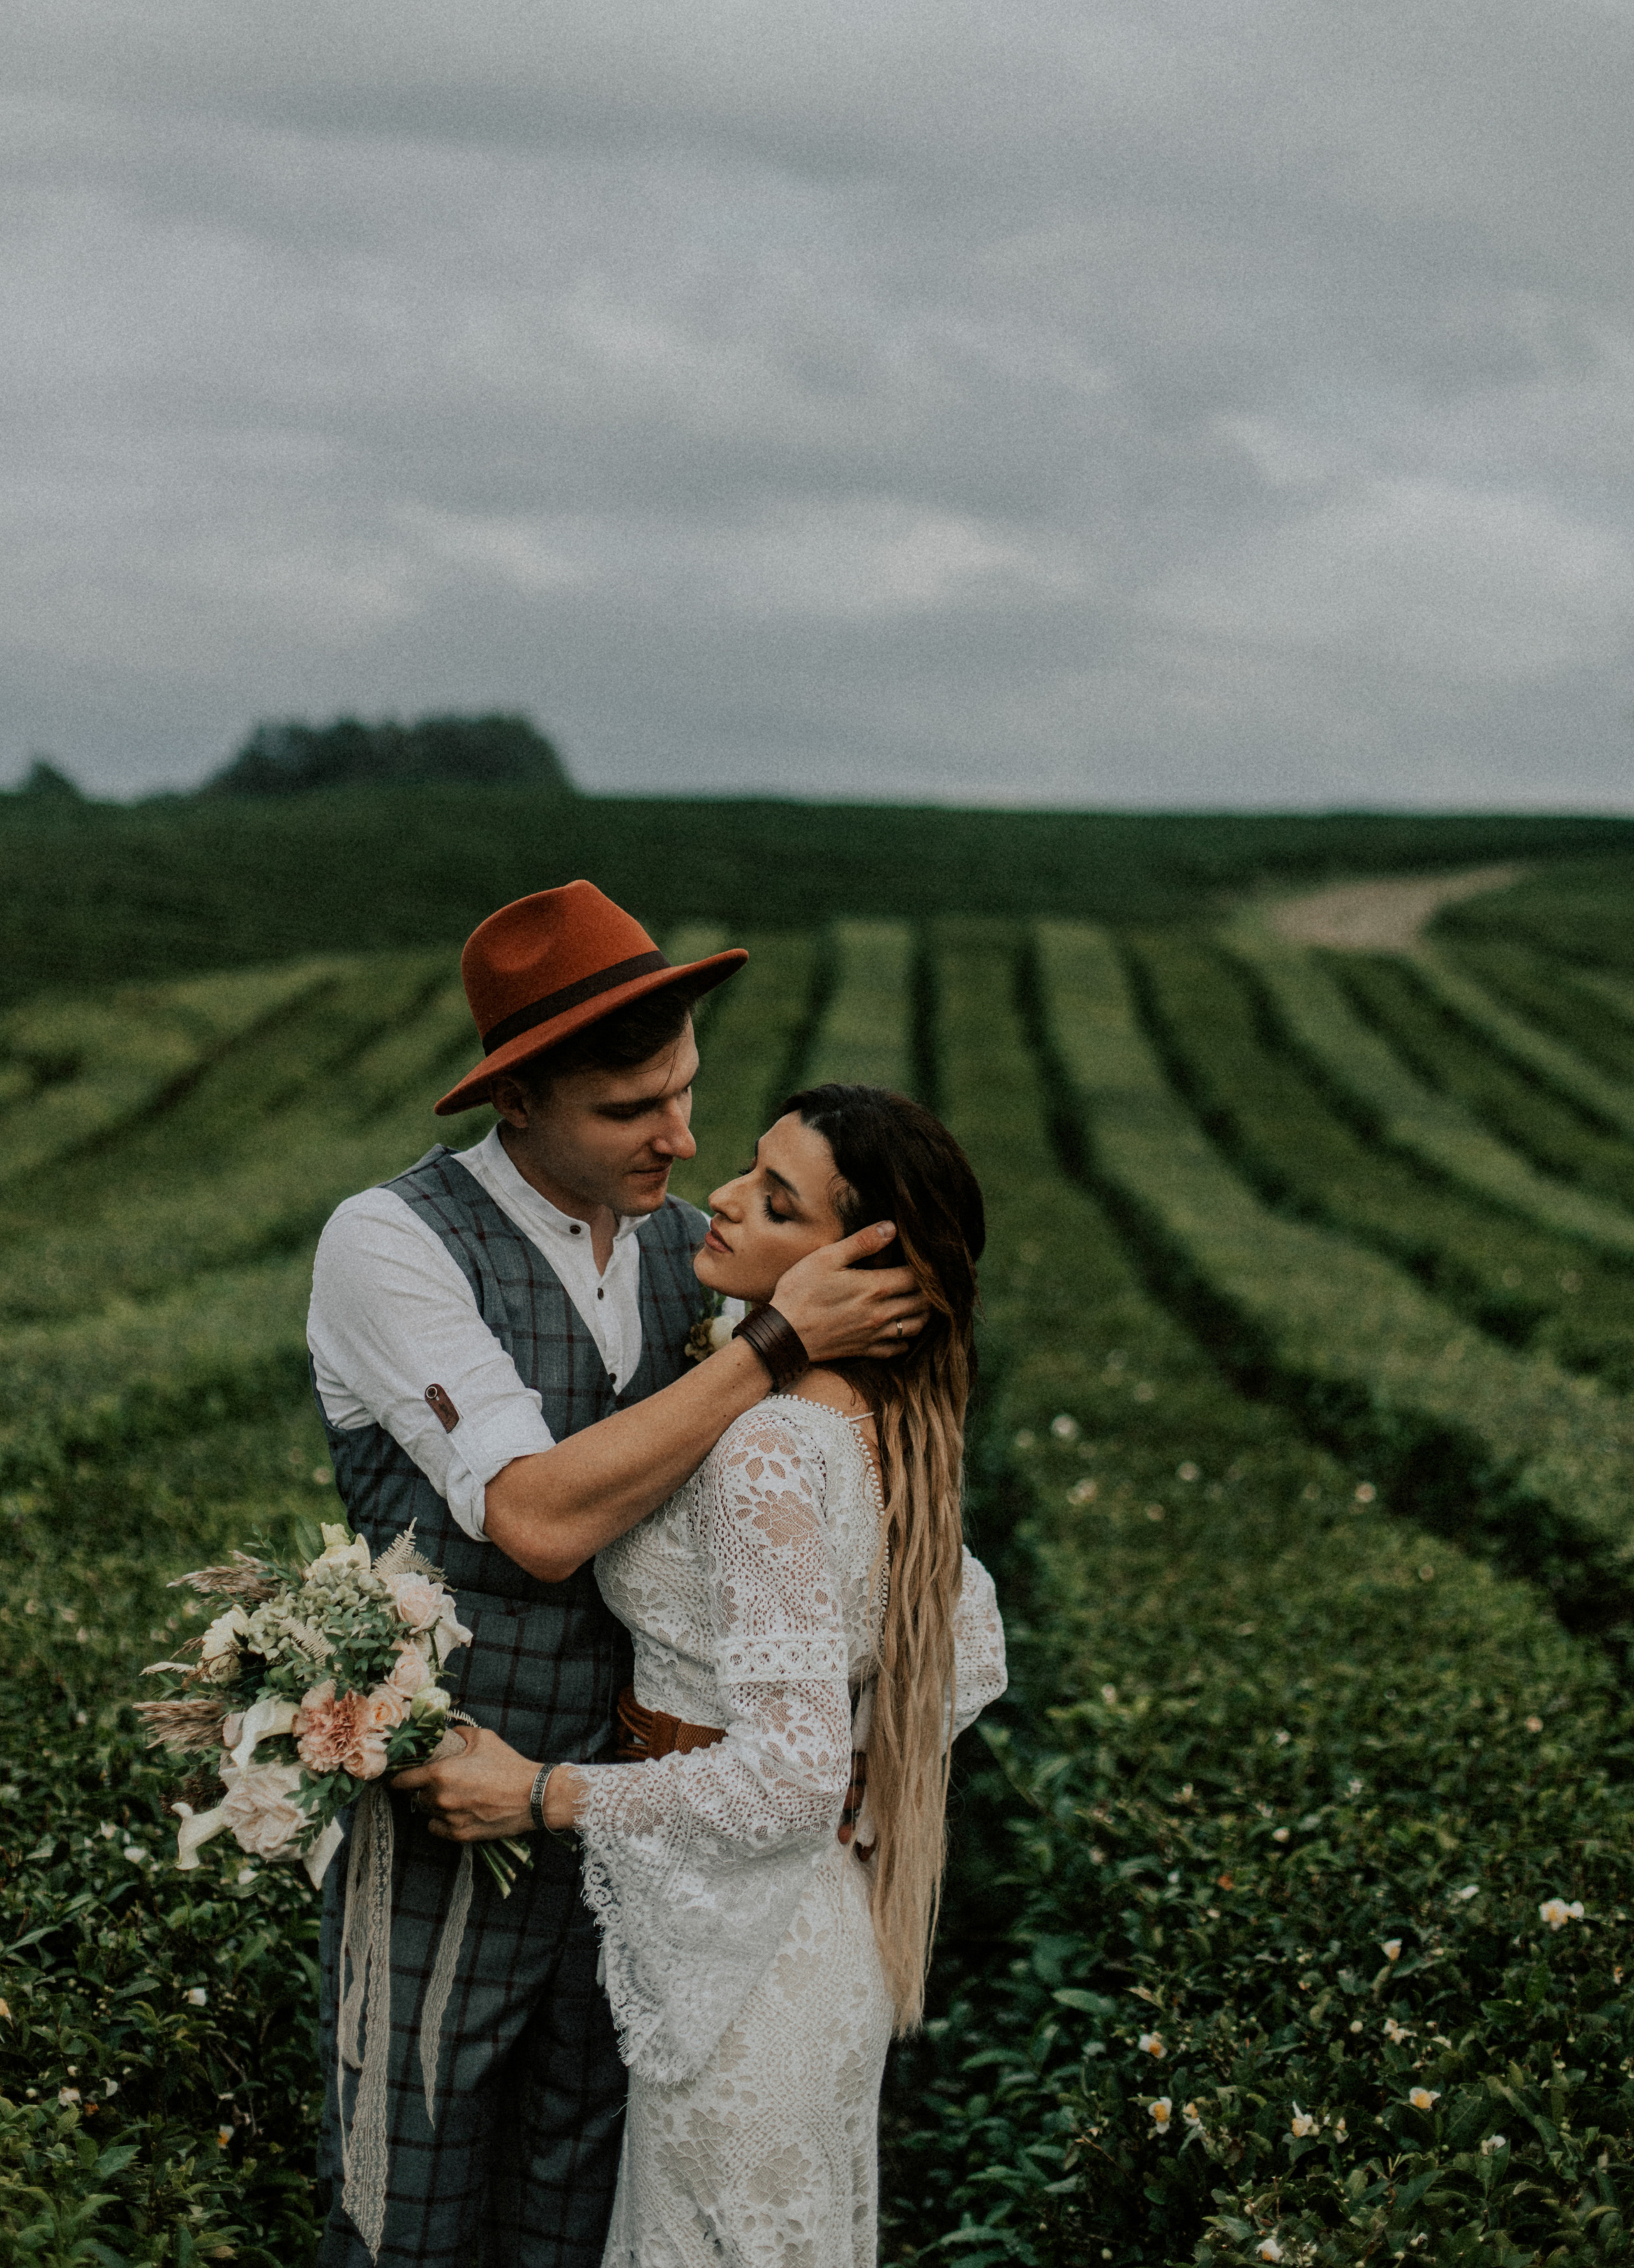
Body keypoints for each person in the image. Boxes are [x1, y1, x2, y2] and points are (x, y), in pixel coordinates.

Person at [307, 883, 927, 2268]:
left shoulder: (677, 1255)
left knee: (580, 2216)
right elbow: (532, 1519)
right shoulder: (394, 1244)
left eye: (687, 1088)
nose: (681, 1137)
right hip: (448, 1820)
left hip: (645, 1847)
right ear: (516, 1100)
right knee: (406, 2206)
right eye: (629, 1108)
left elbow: (850, 1527)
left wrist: (850, 1752)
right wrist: (766, 1343)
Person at [399, 1082, 1008, 2267]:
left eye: (776, 1203)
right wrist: (868, 1773)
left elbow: (786, 1775)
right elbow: (970, 1647)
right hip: (813, 1932)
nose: (719, 1198)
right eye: (748, 1168)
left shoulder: (771, 1448)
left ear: (857, 1273)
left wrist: (540, 1793)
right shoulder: (889, 1423)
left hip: (756, 1970)